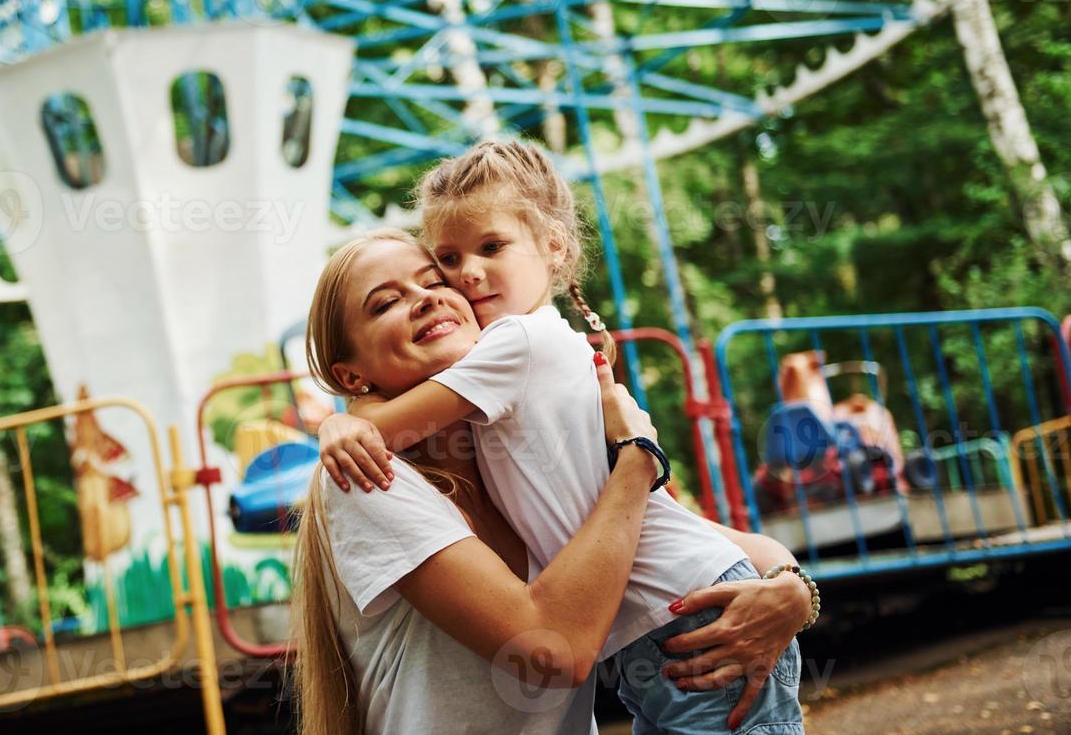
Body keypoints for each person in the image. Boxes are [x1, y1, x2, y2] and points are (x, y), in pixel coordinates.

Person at [294, 226, 815, 734]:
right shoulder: (363, 471)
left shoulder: (511, 449)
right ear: (350, 376)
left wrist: (791, 594)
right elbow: (552, 651)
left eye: (434, 282)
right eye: (385, 303)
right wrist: (636, 461)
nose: (425, 299)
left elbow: (702, 539)